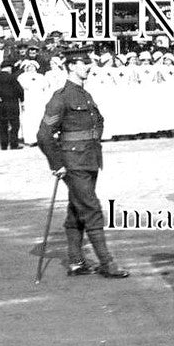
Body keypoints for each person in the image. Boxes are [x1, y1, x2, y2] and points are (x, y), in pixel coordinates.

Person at [38, 47, 128, 278]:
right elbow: (44, 134)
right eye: (83, 63)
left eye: (88, 62)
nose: (88, 66)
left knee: (77, 209)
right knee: (91, 208)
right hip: (73, 163)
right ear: (71, 67)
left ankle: (76, 260)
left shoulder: (84, 93)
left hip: (88, 159)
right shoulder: (61, 97)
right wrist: (57, 164)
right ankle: (107, 263)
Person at [0, 60, 25, 151]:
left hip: (1, 105)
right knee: (15, 125)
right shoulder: (12, 78)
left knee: (3, 125)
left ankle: (4, 145)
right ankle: (13, 144)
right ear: (9, 68)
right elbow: (20, 90)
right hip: (12, 105)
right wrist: (22, 100)